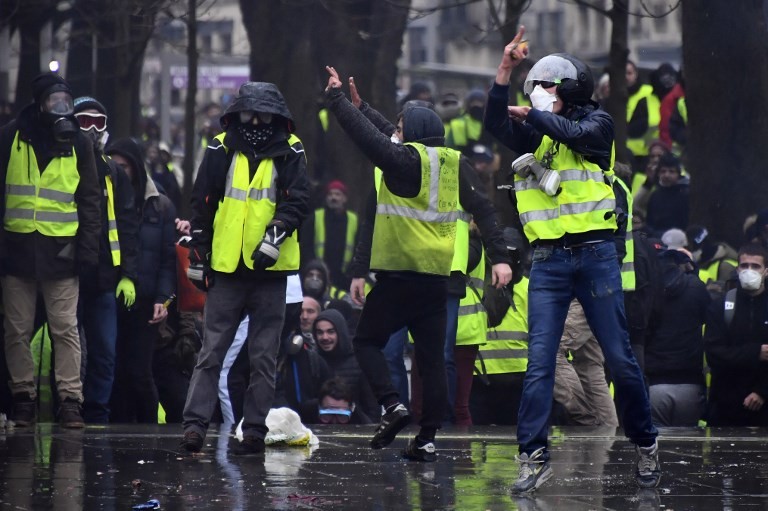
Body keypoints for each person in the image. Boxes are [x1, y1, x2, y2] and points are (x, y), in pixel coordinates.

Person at [484, 28, 660, 493]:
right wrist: (506, 71)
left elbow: (575, 135)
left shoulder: (597, 125)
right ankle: (532, 456)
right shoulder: (538, 134)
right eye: (536, 90)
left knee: (620, 361)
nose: (539, 97)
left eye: (546, 89)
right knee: (539, 361)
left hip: (595, 256)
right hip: (548, 260)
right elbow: (494, 123)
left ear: (569, 91)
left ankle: (645, 444)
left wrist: (538, 117)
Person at [324, 66, 512, 462]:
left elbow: (371, 142)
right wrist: (500, 257)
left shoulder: (402, 163)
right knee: (430, 361)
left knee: (366, 341)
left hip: (399, 277)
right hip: (437, 281)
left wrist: (339, 102)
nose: (395, 130)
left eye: (399, 125)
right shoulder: (452, 163)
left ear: (409, 133)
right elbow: (485, 210)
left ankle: (392, 405)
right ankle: (426, 437)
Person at [180, 82, 310, 455]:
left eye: (264, 116)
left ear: (278, 119)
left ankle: (254, 429)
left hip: (270, 271)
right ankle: (194, 426)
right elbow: (202, 201)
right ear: (236, 115)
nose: (256, 122)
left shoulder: (291, 150)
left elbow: (297, 201)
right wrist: (199, 255)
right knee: (211, 353)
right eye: (250, 115)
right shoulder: (221, 148)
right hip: (226, 268)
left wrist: (275, 236)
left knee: (264, 356)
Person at [0, 72, 101, 428]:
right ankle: (23, 397)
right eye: (53, 101)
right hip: (18, 250)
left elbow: (90, 200)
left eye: (64, 100)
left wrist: (88, 252)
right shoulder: (12, 136)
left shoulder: (78, 142)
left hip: (61, 253)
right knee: (17, 329)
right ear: (39, 103)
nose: (60, 108)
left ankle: (71, 401)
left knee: (65, 329)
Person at [72, 96, 140, 423]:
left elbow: (127, 225)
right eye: (85, 121)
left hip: (105, 277)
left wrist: (128, 274)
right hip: (66, 273)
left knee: (104, 353)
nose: (93, 129)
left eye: (99, 122)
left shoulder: (113, 171)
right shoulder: (62, 164)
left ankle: (96, 413)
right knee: (67, 349)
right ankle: (66, 407)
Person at [105, 137, 176, 423]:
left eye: (124, 166)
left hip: (145, 300)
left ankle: (149, 430)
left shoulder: (160, 207)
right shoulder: (103, 198)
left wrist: (163, 298)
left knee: (138, 371)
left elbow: (166, 260)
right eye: (113, 166)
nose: (119, 172)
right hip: (109, 295)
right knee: (112, 368)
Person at [704, 243, 768, 427]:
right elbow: (714, 354)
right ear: (737, 269)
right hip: (725, 406)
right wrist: (756, 352)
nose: (749, 271)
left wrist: (763, 392)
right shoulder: (720, 307)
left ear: (766, 271)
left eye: (755, 266)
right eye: (744, 266)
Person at [645, 248, 710, 427]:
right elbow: (709, 318)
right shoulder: (695, 288)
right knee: (687, 450)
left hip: (655, 384)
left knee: (656, 449)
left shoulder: (648, 289)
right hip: (690, 384)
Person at [313, 309, 378, 420]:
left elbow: (372, 407)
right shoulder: (312, 361)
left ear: (340, 332)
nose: (325, 337)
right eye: (320, 332)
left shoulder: (360, 361)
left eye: (330, 332)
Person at [300, 179, 358, 291]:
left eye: (337, 194)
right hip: (318, 276)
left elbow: (358, 247)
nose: (333, 197)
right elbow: (306, 246)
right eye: (330, 194)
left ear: (344, 198)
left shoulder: (353, 220)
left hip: (344, 277)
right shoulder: (315, 217)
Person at [645, 152, 689, 236]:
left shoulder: (685, 194)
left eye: (671, 171)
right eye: (663, 171)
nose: (667, 175)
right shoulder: (655, 195)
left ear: (678, 174)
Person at [305, 376, 372, 425]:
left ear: (352, 408)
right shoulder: (307, 412)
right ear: (319, 407)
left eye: (341, 416)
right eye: (328, 415)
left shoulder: (362, 422)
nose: (334, 422)